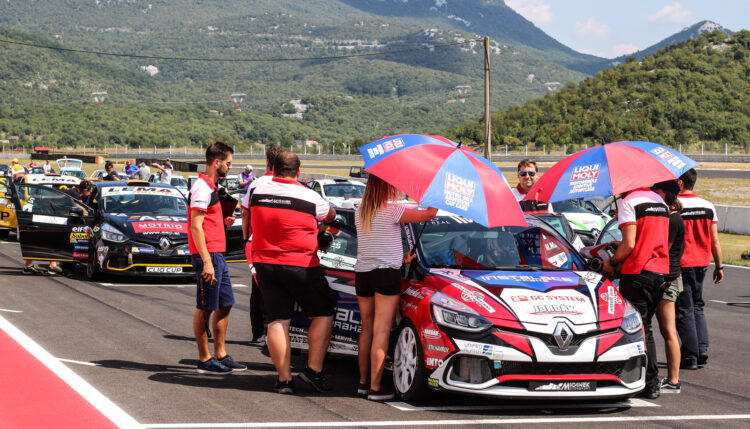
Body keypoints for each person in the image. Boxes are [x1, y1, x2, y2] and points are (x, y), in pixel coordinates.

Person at [249, 151, 336, 395]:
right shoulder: (309, 196)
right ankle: (313, 371)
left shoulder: (258, 192)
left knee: (277, 320)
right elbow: (330, 215)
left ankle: (284, 380)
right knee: (323, 312)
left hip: (265, 263)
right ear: (298, 172)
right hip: (301, 265)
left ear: (273, 169)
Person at [354, 175, 437, 401]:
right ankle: (375, 387)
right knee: (381, 331)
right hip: (386, 275)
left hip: (363, 274)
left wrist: (402, 259)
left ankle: (362, 383)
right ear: (387, 187)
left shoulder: (360, 211)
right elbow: (429, 214)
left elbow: (374, 245)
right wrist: (437, 194)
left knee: (367, 329)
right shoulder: (393, 210)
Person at [602, 186, 670, 399]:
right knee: (647, 326)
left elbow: (629, 245)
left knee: (639, 329)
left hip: (638, 272)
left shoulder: (629, 203)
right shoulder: (660, 202)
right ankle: (649, 382)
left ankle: (648, 383)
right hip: (661, 271)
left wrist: (612, 261)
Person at [188, 142, 247, 374]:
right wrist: (208, 261)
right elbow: (195, 226)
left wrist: (223, 222)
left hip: (217, 253)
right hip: (208, 255)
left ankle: (220, 354)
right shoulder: (202, 187)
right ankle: (204, 359)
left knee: (225, 304)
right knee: (205, 308)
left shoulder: (211, 187)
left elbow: (206, 223)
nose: (230, 168)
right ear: (217, 162)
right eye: (229, 163)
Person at [676, 168, 723, 370]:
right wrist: (719, 265)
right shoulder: (707, 205)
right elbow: (715, 240)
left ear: (680, 183)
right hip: (702, 262)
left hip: (681, 263)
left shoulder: (675, 206)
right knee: (697, 306)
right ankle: (702, 348)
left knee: (684, 309)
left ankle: (690, 355)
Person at [241, 145, 285, 343]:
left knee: (257, 290)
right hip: (283, 244)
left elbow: (244, 212)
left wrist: (245, 237)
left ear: (267, 162)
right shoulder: (289, 183)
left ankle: (258, 332)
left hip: (258, 243)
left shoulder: (256, 184)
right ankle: (280, 331)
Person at [651, 180, 684, 394]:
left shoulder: (672, 220)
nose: (654, 194)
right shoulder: (669, 218)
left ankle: (673, 381)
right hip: (668, 276)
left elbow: (663, 249)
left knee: (668, 330)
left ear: (667, 194)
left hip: (668, 278)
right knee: (665, 330)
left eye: (657, 191)